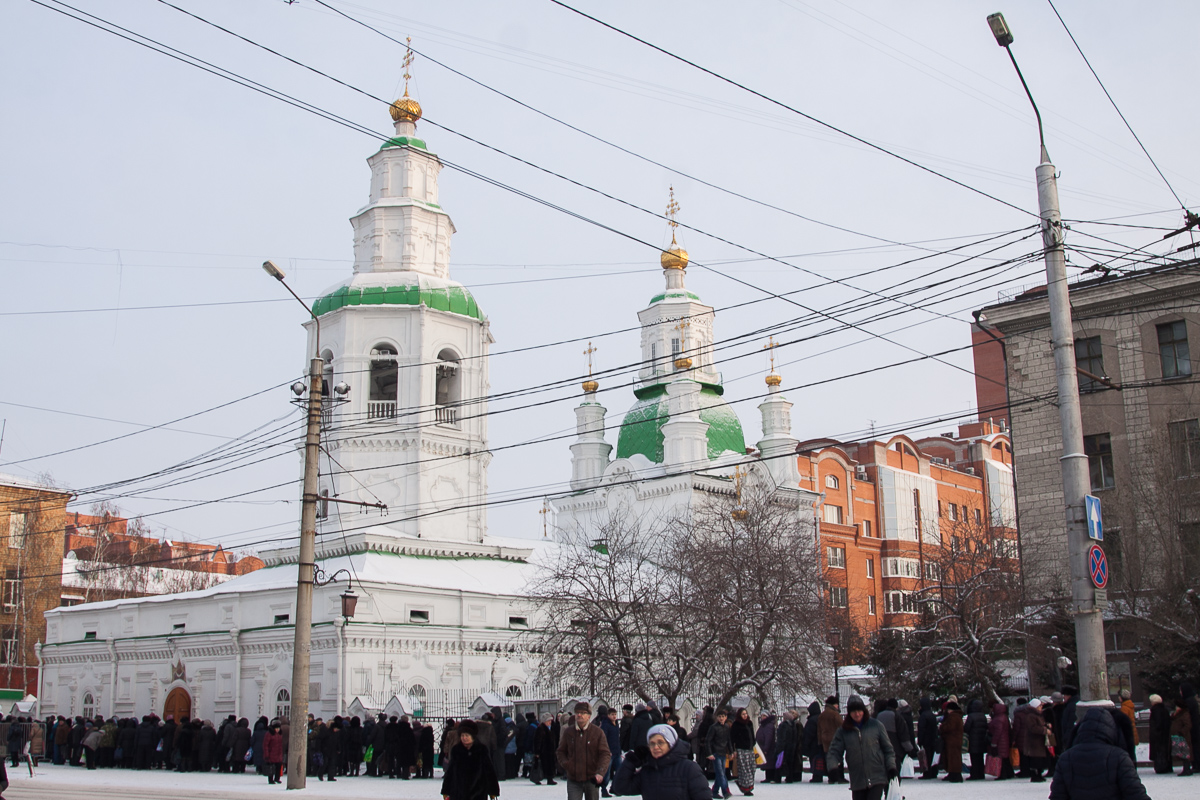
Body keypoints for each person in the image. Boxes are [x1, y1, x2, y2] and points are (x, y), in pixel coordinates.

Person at [1048, 707, 1149, 800]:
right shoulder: (1119, 757)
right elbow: (1136, 795)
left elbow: (1057, 797)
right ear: (1110, 730)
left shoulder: (1066, 758)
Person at [612, 723, 709, 800]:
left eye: (660, 742)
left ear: (670, 744)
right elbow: (621, 787)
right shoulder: (647, 771)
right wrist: (631, 761)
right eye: (652, 744)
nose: (656, 747)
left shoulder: (689, 768)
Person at [826, 695, 896, 800]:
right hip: (857, 779)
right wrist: (832, 767)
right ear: (849, 713)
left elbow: (888, 749)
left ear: (864, 710)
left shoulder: (876, 725)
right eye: (853, 711)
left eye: (859, 710)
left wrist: (891, 767)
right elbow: (834, 751)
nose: (857, 714)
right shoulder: (843, 730)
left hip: (877, 776)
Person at [556, 701, 611, 800]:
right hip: (574, 779)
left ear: (589, 716)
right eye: (577, 712)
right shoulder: (569, 732)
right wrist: (567, 764)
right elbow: (561, 751)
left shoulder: (597, 732)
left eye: (583, 713)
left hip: (592, 778)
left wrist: (600, 772)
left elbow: (605, 754)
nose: (579, 715)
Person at [441, 719, 500, 800]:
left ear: (473, 736)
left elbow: (489, 771)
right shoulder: (456, 750)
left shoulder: (481, 749)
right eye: (462, 736)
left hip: (478, 793)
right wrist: (446, 790)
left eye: (466, 735)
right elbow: (450, 771)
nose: (464, 738)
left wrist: (493, 791)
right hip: (458, 793)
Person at [728, 708, 756, 797]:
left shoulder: (749, 723)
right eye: (743, 714)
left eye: (746, 714)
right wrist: (733, 750)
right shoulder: (736, 724)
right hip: (741, 749)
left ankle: (748, 786)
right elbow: (732, 738)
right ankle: (745, 788)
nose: (745, 716)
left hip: (750, 749)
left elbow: (752, 734)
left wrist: (753, 743)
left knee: (752, 768)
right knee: (744, 769)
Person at [705, 708, 732, 799]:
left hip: (723, 753)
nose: (721, 718)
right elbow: (708, 741)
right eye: (719, 716)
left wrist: (731, 751)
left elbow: (729, 740)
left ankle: (714, 791)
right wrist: (709, 753)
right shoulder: (713, 727)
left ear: (726, 717)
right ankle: (725, 792)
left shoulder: (727, 727)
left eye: (723, 716)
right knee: (721, 773)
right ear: (717, 717)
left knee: (721, 773)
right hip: (716, 753)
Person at [818, 697, 846, 784]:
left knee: (828, 758)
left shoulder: (821, 715)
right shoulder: (835, 714)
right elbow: (841, 725)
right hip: (835, 738)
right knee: (838, 757)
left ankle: (831, 777)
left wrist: (820, 741)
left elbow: (819, 729)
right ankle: (840, 777)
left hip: (825, 739)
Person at [598, 706, 622, 797]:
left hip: (617, 752)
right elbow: (604, 739)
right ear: (608, 715)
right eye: (612, 715)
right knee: (606, 772)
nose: (614, 716)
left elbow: (617, 738)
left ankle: (614, 787)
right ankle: (604, 789)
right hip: (609, 753)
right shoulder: (605, 724)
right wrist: (606, 750)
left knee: (620, 770)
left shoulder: (616, 724)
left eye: (615, 714)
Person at [938, 700, 964, 782]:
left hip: (952, 740)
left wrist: (942, 727)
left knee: (953, 758)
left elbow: (949, 727)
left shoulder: (953, 717)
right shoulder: (958, 716)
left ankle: (955, 775)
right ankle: (953, 774)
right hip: (955, 740)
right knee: (955, 758)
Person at [963, 699, 989, 780]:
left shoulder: (971, 716)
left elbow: (966, 728)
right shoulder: (983, 716)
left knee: (974, 759)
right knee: (980, 758)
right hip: (981, 740)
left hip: (973, 740)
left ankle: (974, 774)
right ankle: (981, 774)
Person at [987, 701, 1013, 780]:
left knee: (1000, 757)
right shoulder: (1004, 717)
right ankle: (1009, 773)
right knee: (1005, 758)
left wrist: (994, 742)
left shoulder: (998, 719)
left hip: (1000, 741)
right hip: (1005, 740)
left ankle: (1002, 774)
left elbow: (997, 731)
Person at [1148, 694, 1172, 774]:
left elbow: (1158, 723)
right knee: (1165, 751)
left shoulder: (1156, 710)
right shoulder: (1164, 709)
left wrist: (1155, 732)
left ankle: (1160, 767)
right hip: (1165, 734)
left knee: (1159, 751)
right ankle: (1167, 766)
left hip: (1158, 735)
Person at [1180, 682, 1200, 776]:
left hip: (1193, 727)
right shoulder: (1192, 700)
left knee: (1195, 746)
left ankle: (1196, 765)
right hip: (1195, 726)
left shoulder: (1188, 701)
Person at [532, 713, 558, 786]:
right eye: (548, 720)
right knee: (542, 766)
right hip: (544, 752)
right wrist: (537, 752)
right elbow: (537, 741)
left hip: (550, 751)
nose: (550, 722)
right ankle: (538, 778)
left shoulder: (551, 728)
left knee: (550, 765)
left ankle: (550, 778)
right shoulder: (540, 729)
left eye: (550, 720)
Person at [916, 697, 939, 779]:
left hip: (926, 740)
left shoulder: (923, 716)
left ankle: (927, 773)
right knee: (932, 756)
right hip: (933, 739)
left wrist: (920, 741)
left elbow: (921, 729)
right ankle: (933, 772)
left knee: (926, 757)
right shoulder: (932, 715)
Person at [1171, 694, 1193, 776]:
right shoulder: (1178, 715)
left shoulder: (1184, 714)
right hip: (1178, 737)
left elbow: (1188, 725)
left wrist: (1182, 731)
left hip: (1183, 737)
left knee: (1185, 753)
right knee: (1182, 753)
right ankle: (1186, 768)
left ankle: (1187, 769)